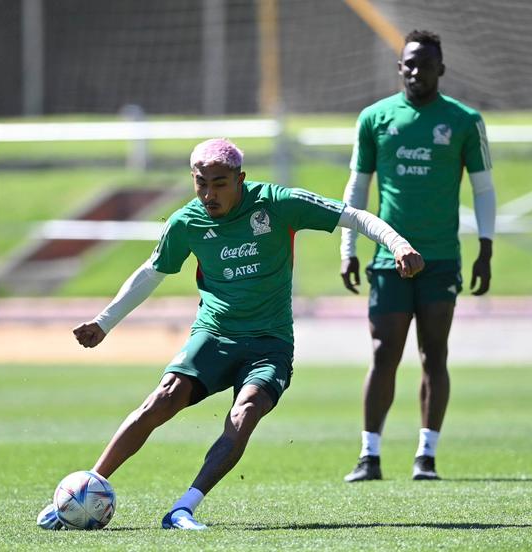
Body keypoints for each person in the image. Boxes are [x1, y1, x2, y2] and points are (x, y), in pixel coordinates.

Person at [38, 138, 424, 531]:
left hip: (269, 344)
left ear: (240, 179)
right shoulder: (186, 222)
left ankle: (183, 509)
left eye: (219, 183)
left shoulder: (276, 203)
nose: (209, 193)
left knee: (246, 412)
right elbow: (151, 272)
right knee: (162, 399)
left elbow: (354, 216)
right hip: (215, 335)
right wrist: (104, 323)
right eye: (201, 183)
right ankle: (85, 489)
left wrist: (398, 244)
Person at [340, 30, 496, 482]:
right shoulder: (374, 118)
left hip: (441, 259)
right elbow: (357, 187)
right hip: (388, 259)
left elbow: (483, 189)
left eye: (424, 64)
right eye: (408, 63)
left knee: (435, 354)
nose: (415, 71)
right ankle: (369, 456)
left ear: (440, 69)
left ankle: (426, 456)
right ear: (400, 67)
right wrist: (348, 246)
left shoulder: (464, 121)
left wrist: (485, 250)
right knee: (383, 352)